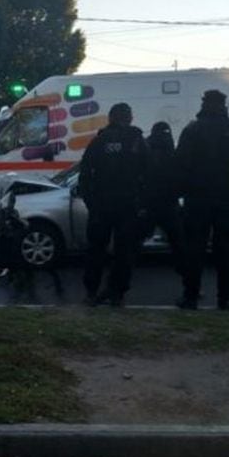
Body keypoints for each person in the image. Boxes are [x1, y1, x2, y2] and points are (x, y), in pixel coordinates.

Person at [174, 89, 229, 310]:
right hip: (227, 197)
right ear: (224, 106)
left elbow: (179, 166)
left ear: (204, 105)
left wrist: (183, 191)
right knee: (224, 250)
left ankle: (191, 296)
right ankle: (225, 299)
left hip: (197, 198)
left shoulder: (192, 130)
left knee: (194, 249)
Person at [77, 102, 149, 307]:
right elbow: (149, 174)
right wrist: (141, 203)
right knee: (124, 252)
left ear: (110, 118)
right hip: (128, 207)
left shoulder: (99, 142)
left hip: (101, 207)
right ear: (129, 118)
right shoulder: (137, 142)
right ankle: (117, 293)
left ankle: (91, 292)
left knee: (95, 251)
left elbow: (85, 175)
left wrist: (92, 203)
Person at [143, 121, 185, 277]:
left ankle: (116, 290)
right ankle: (191, 287)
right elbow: (182, 178)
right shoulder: (174, 153)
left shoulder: (144, 149)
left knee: (131, 247)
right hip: (169, 204)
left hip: (148, 204)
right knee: (179, 247)